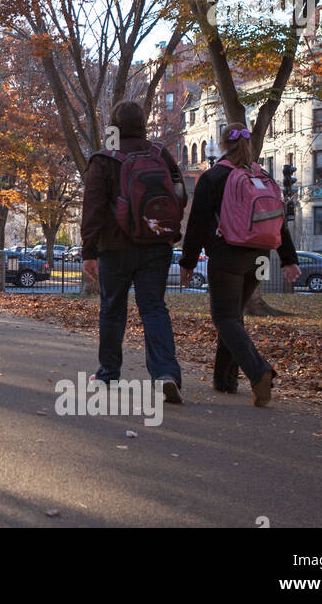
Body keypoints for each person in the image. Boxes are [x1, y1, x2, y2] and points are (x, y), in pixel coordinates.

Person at [181, 122, 301, 407]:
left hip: (228, 254)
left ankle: (259, 371)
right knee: (234, 316)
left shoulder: (214, 177)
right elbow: (278, 220)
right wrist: (288, 259)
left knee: (225, 318)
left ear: (223, 144)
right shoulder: (262, 175)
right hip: (261, 255)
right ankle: (225, 381)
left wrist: (187, 262)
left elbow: (197, 223)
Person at [82, 100, 186, 403]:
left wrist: (89, 251)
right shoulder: (159, 153)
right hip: (156, 245)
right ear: (143, 124)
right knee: (154, 308)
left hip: (114, 248)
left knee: (112, 309)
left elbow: (93, 209)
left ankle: (108, 373)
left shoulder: (104, 159)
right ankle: (166, 374)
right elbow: (180, 193)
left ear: (114, 125)